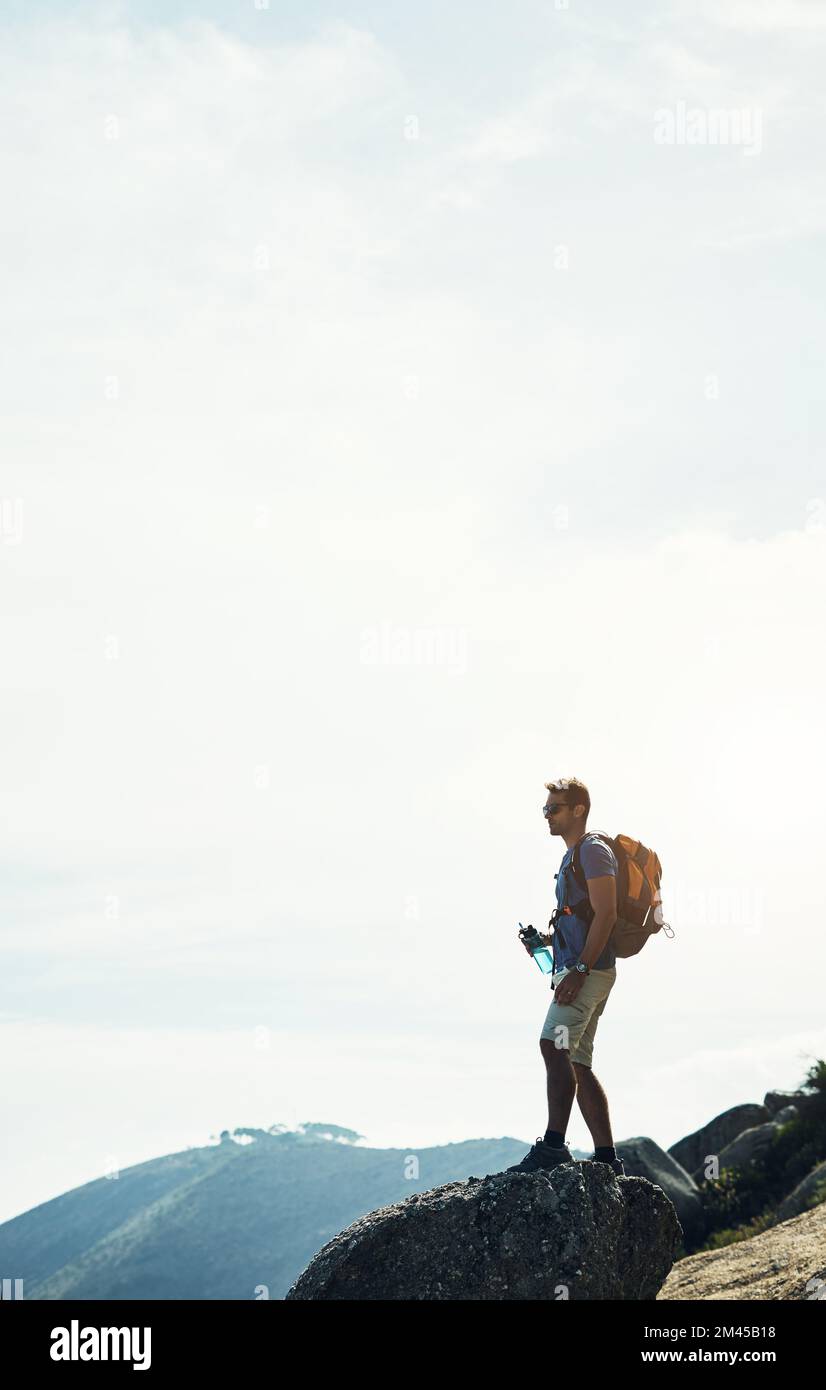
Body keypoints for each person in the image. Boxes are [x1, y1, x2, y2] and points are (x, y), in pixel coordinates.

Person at [506, 777, 625, 1177]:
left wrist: (579, 969)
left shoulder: (592, 850)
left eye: (553, 808)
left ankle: (555, 1146)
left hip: (588, 971)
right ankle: (608, 1159)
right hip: (581, 968)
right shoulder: (573, 856)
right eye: (545, 809)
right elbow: (583, 918)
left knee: (551, 1046)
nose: (546, 816)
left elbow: (606, 913)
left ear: (578, 810)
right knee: (577, 1061)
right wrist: (547, 943)